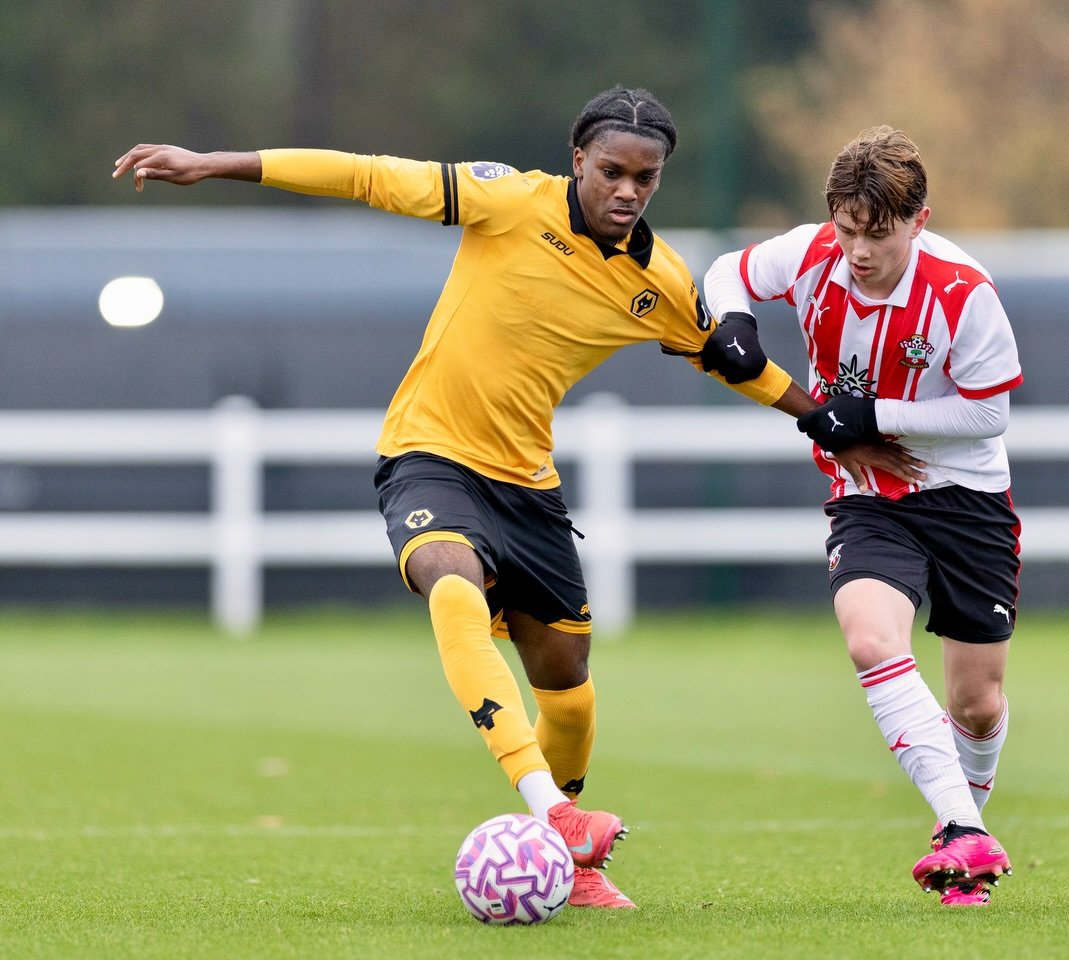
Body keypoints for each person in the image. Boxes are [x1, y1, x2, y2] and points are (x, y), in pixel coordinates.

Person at [112, 85, 900, 909]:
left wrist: (829, 426)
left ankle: (573, 867)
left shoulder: (658, 281)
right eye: (611, 171)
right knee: (450, 581)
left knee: (568, 683)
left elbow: (730, 361)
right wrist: (216, 165)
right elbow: (365, 176)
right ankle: (554, 815)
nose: (627, 190)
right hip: (429, 455)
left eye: (645, 177)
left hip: (528, 488)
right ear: (577, 162)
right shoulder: (509, 199)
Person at [703, 127, 1023, 907]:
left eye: (876, 235)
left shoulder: (962, 290)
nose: (858, 252)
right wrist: (734, 321)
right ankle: (957, 827)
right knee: (869, 636)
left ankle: (965, 836)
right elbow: (725, 270)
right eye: (847, 231)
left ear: (919, 219)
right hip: (870, 498)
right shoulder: (817, 254)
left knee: (976, 705)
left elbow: (989, 413)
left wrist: (872, 413)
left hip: (967, 503)